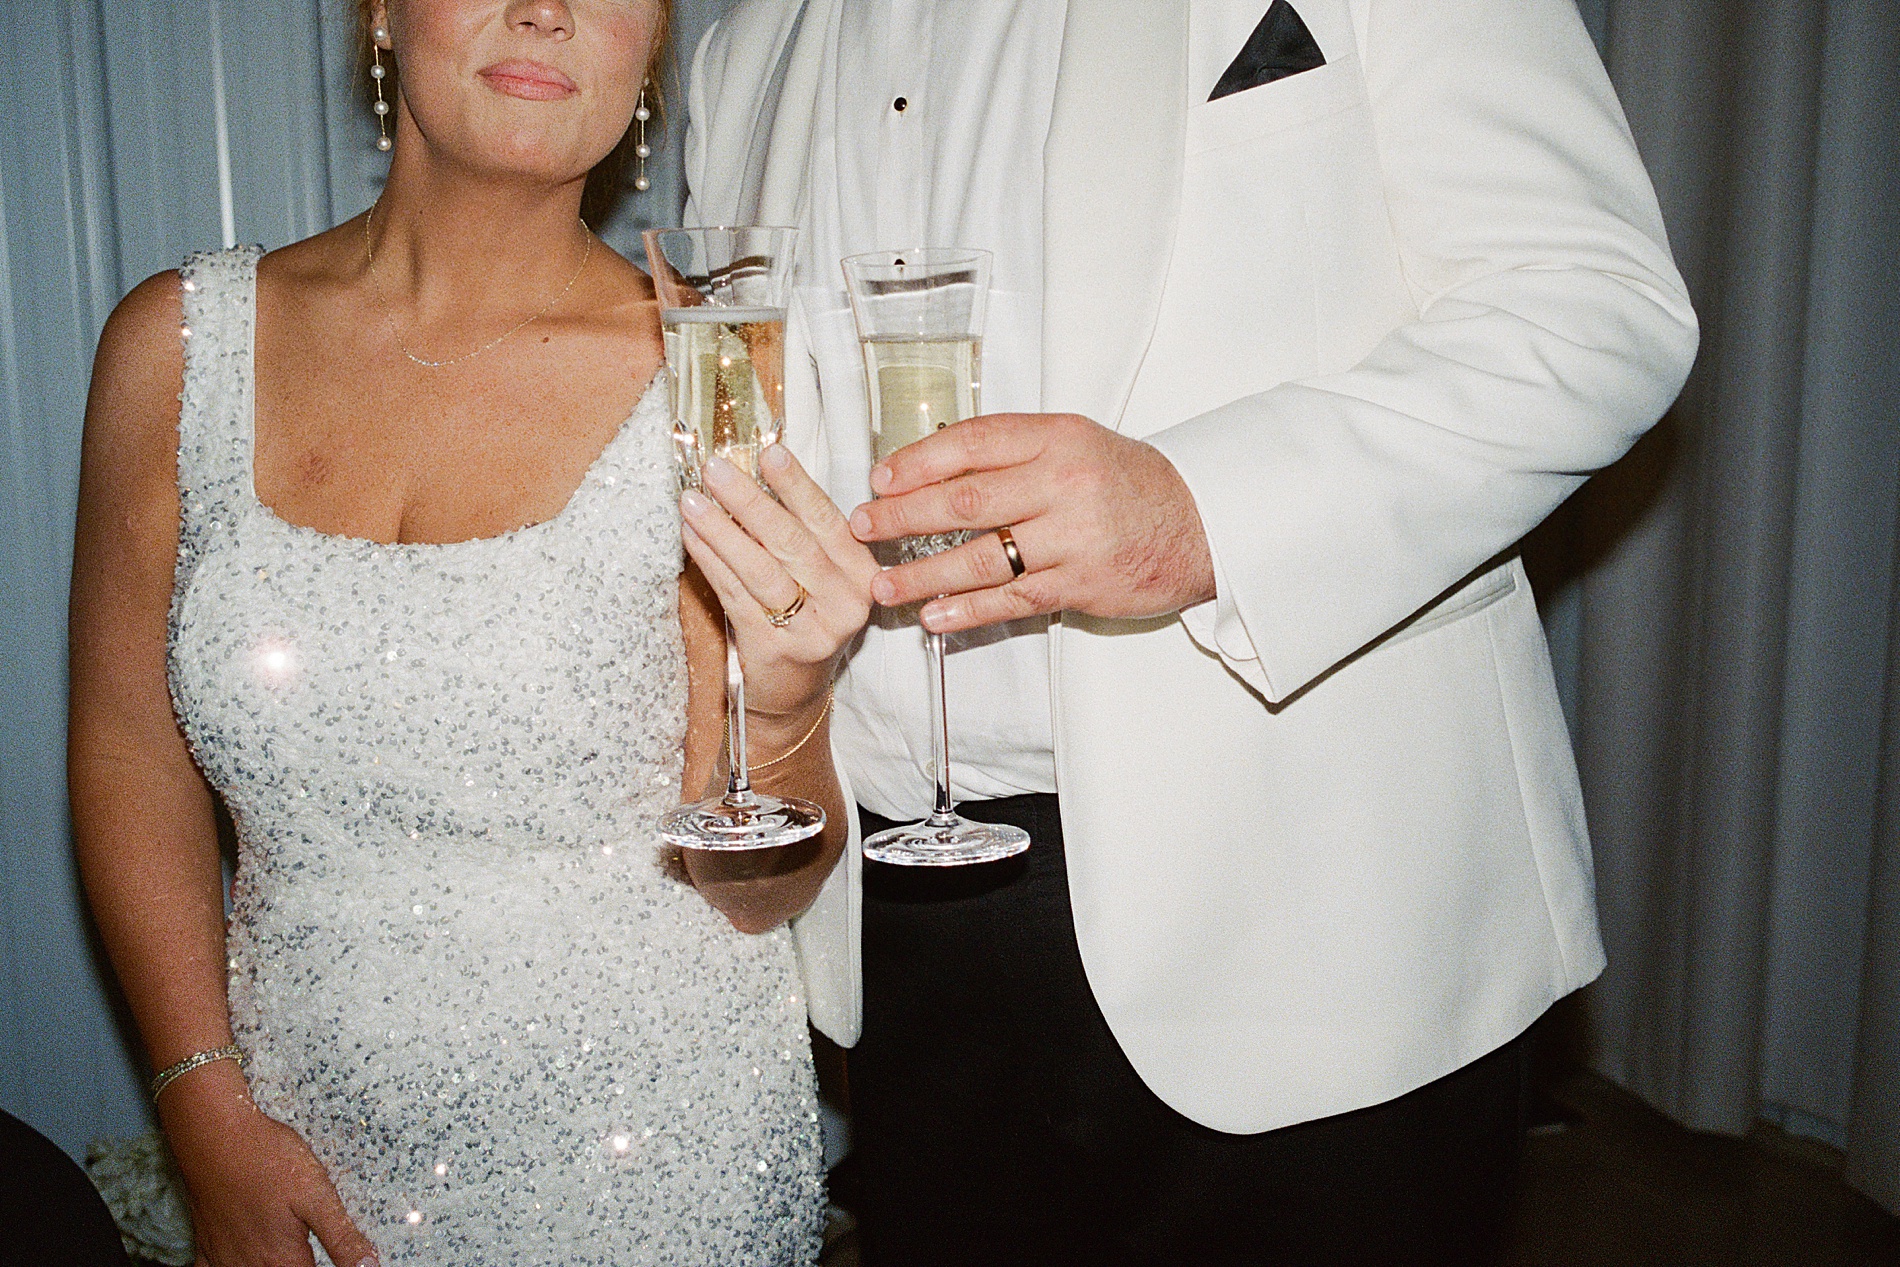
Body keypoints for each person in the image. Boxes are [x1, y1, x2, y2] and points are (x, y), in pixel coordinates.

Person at [685, 0, 1699, 1262]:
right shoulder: (747, 49)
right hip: (908, 940)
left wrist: (1201, 511)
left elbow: (1595, 309)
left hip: (1325, 920)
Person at [66, 1, 877, 1263]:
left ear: (651, 47)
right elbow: (126, 756)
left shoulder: (716, 372)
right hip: (295, 1146)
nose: (548, 7)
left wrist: (784, 704)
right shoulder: (172, 351)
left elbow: (761, 890)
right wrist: (201, 1108)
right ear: (382, 13)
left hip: (662, 1176)